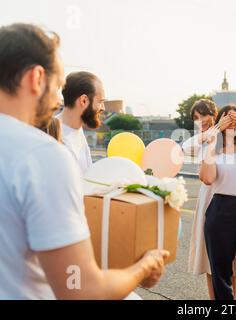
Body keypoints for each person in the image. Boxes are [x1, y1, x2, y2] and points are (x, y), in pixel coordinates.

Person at [0, 23, 168, 300]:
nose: (57, 100)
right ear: (36, 78)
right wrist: (144, 266)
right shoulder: (43, 155)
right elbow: (82, 291)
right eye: (56, 87)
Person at [183, 99, 236, 299]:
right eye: (196, 118)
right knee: (213, 265)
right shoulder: (208, 142)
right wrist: (213, 132)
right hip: (213, 203)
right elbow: (185, 149)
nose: (200, 121)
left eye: (204, 115)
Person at [57, 71, 106, 173]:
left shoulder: (76, 130)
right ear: (83, 101)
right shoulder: (50, 134)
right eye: (100, 102)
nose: (103, 108)